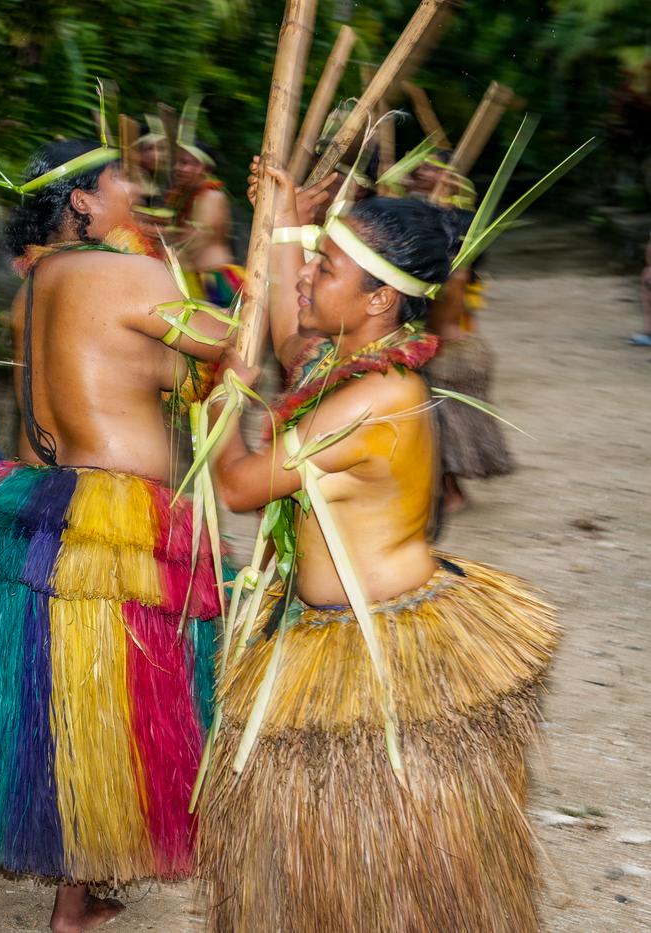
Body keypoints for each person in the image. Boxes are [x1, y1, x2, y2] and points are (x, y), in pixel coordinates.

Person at [196, 168, 560, 931]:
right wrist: (286, 229)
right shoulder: (350, 361)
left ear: (377, 300)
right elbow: (292, 336)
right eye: (316, 262)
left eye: (325, 269)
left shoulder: (371, 398)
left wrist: (223, 397)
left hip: (377, 650)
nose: (307, 280)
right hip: (341, 628)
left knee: (384, 874)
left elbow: (234, 484)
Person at [0, 139, 226, 933]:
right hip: (118, 509)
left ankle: (85, 883)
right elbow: (225, 345)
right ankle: (74, 905)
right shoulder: (133, 274)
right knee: (113, 699)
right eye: (123, 180)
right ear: (81, 198)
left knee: (72, 693)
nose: (136, 190)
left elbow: (138, 371)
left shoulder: (47, 275)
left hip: (55, 499)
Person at [424, 219, 513, 512]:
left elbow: (435, 326)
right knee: (453, 424)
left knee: (442, 427)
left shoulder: (448, 277)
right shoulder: (464, 273)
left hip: (450, 356)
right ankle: (451, 492)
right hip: (468, 351)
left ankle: (451, 494)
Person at [166, 142, 241, 308]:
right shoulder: (189, 198)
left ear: (203, 168)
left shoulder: (212, 196)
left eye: (185, 163)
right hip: (197, 280)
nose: (178, 168)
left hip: (216, 282)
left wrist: (166, 256)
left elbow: (198, 238)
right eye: (177, 162)